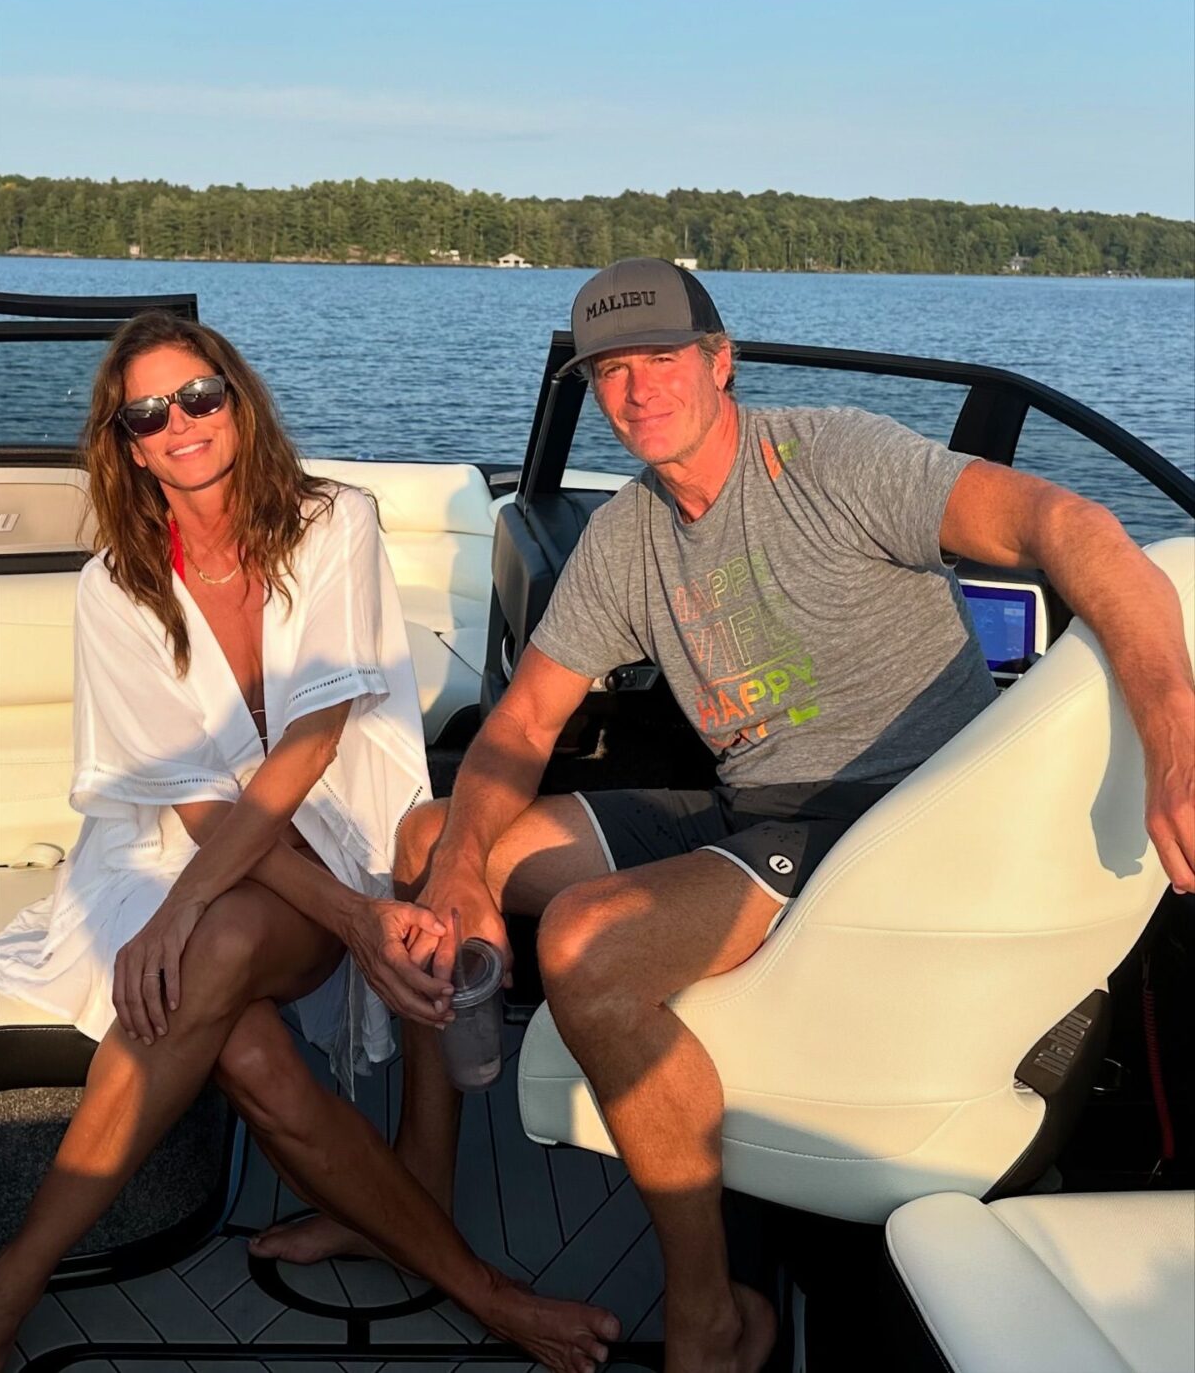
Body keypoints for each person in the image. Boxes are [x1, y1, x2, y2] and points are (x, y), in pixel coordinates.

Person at [244, 260, 1195, 1373]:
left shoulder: (830, 458)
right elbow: (522, 721)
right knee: (425, 839)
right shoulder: (630, 534)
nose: (638, 391)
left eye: (662, 360)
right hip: (757, 808)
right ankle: (416, 1193)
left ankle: (710, 1311)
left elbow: (1061, 521)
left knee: (588, 949)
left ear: (721, 358)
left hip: (883, 824)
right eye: (612, 372)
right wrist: (460, 870)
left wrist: (1172, 717)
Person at [0, 311, 618, 1373]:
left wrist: (322, 913)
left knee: (218, 944)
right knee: (234, 1028)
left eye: (199, 395)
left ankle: (10, 1282)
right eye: (149, 412)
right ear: (127, 441)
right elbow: (191, 804)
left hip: (318, 827)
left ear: (236, 399)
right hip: (158, 849)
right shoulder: (115, 585)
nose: (181, 423)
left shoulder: (336, 523)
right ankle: (475, 1280)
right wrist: (228, 907)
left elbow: (317, 739)